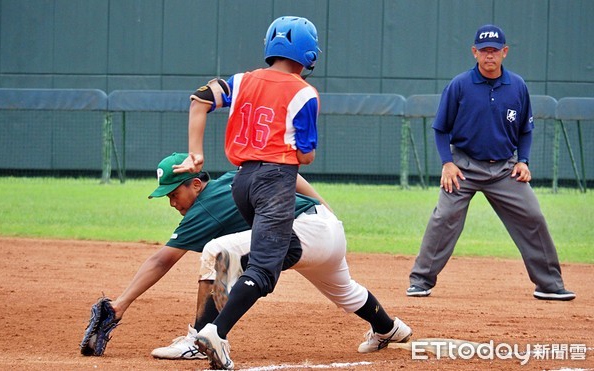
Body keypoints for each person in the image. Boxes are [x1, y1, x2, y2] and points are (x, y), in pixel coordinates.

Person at [90, 153, 411, 363]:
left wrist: (121, 303)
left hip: (302, 231)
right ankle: (389, 329)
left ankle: (199, 340)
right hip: (325, 229)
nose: (172, 203)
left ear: (197, 184)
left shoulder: (202, 209)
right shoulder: (234, 176)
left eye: (175, 194)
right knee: (346, 291)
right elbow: (289, 173)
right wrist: (325, 208)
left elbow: (161, 261)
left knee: (217, 252)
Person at [172, 16, 333, 369]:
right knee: (263, 271)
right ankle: (215, 332)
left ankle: (227, 294)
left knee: (280, 249)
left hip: (241, 182)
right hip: (275, 182)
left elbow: (199, 99)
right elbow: (305, 156)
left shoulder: (241, 81)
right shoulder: (305, 92)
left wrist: (195, 152)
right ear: (309, 53)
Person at [406, 24, 575, 301]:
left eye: (494, 50)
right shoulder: (459, 85)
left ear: (504, 52)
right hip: (464, 166)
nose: (489, 56)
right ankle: (420, 280)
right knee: (444, 217)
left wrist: (524, 160)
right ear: (474, 52)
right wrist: (447, 163)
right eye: (483, 50)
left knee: (533, 216)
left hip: (505, 169)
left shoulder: (517, 86)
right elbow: (440, 129)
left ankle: (549, 284)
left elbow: (525, 130)